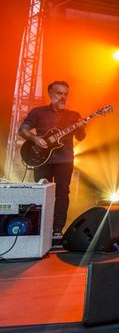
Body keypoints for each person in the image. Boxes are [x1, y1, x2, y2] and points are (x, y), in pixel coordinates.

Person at [19, 81, 85, 240]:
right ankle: (40, 227)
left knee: (62, 193)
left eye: (66, 94)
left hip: (65, 159)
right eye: (59, 93)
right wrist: (35, 139)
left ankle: (57, 230)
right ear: (50, 94)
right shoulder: (38, 112)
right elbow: (23, 130)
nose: (63, 97)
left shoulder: (73, 115)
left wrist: (80, 127)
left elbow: (81, 137)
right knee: (42, 193)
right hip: (41, 159)